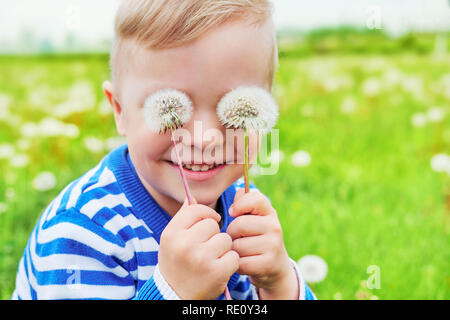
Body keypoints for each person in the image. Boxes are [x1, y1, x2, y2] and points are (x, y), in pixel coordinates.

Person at [12, 0, 316, 300]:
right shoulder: (84, 231)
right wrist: (172, 291)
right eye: (171, 108)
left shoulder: (243, 206)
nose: (204, 138)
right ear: (119, 110)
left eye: (236, 108)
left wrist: (279, 283)